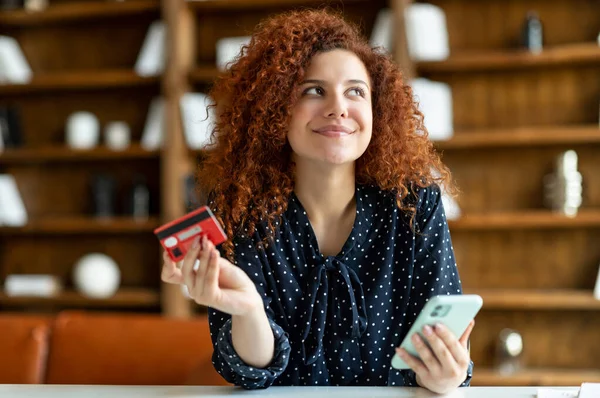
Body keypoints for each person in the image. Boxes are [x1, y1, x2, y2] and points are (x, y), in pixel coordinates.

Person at [161, 8, 474, 394]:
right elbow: (252, 373)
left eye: (355, 91)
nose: (338, 107)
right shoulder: (241, 211)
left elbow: (444, 343)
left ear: (378, 110)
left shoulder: (414, 205)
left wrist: (447, 376)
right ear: (276, 109)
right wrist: (247, 309)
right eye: (313, 90)